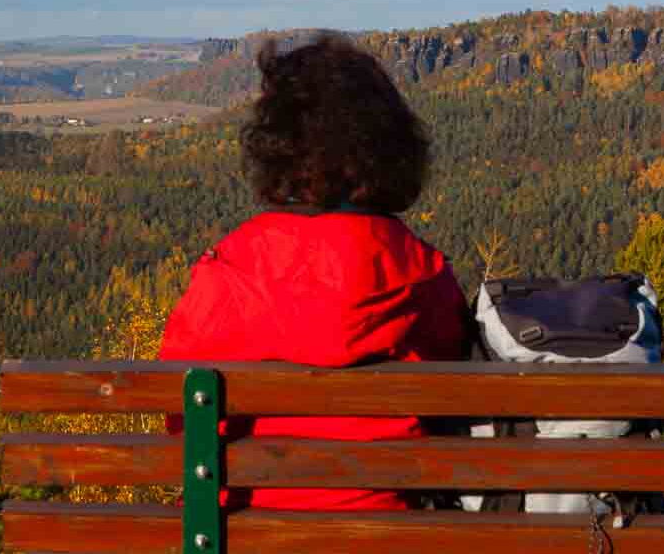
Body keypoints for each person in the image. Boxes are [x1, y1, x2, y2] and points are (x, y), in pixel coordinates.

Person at [159, 33, 471, 515]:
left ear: (276, 147)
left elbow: (180, 417)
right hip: (393, 541)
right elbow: (452, 404)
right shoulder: (424, 273)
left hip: (241, 540)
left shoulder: (229, 270)